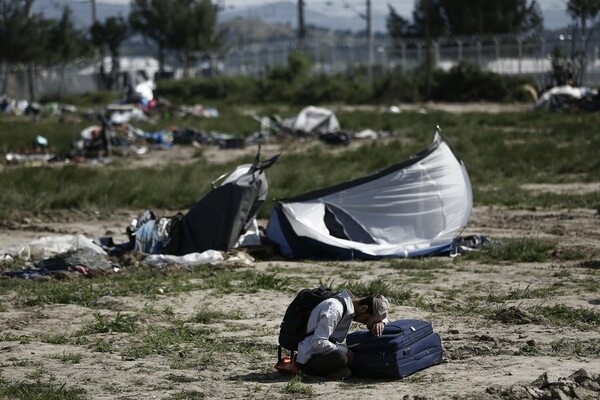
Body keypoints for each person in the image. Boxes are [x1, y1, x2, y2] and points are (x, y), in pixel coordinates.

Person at [296, 289, 390, 379]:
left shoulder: (351, 304)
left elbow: (383, 317)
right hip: (310, 357)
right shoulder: (334, 309)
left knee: (360, 348)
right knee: (341, 357)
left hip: (325, 351)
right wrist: (345, 351)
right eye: (365, 320)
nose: (363, 323)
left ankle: (342, 371)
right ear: (363, 308)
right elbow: (318, 342)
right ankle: (331, 372)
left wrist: (381, 322)